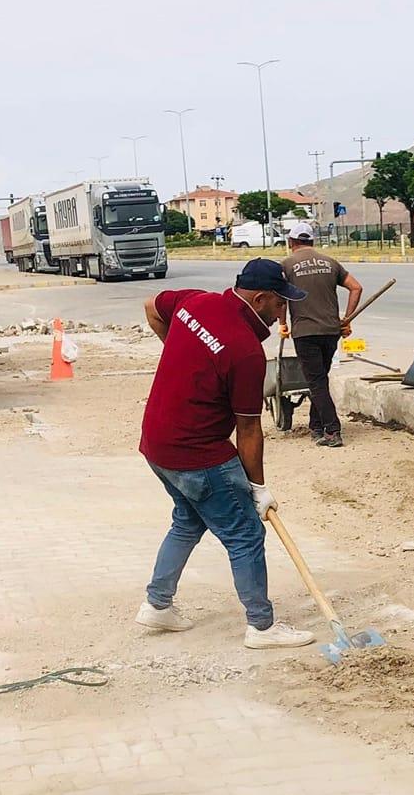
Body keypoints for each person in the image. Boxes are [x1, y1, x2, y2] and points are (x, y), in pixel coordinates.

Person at [136, 257, 317, 650]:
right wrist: (258, 487)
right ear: (261, 298)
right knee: (246, 534)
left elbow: (152, 307)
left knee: (188, 520)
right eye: (280, 303)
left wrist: (184, 354)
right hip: (196, 452)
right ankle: (262, 627)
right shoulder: (246, 351)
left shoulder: (195, 303)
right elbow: (249, 428)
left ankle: (157, 604)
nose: (283, 310)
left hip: (156, 443)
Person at [277, 219, 363, 447]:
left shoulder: (286, 265)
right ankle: (316, 426)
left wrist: (282, 323)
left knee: (315, 382)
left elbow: (281, 298)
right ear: (312, 241)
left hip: (305, 332)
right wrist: (347, 319)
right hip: (330, 330)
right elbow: (356, 287)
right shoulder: (330, 262)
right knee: (320, 379)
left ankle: (333, 430)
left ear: (291, 241)